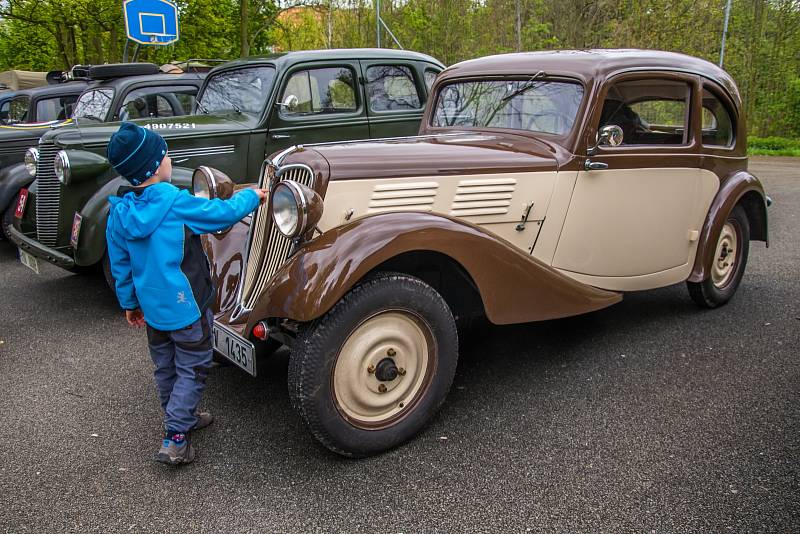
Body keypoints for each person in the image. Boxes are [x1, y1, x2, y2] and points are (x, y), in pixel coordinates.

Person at [105, 122, 267, 465]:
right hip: (188, 307)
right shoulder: (175, 204)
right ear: (153, 166)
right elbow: (223, 213)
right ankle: (176, 437)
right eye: (163, 154)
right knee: (193, 367)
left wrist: (130, 304)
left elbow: (120, 265)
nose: (168, 159)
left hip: (153, 310)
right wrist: (253, 195)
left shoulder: (119, 212)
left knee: (165, 367)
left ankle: (182, 418)